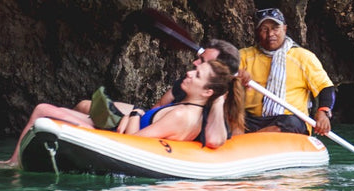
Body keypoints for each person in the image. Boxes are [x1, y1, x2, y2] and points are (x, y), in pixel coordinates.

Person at [0, 54, 243, 167]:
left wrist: (134, 114)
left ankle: (12, 164)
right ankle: (15, 161)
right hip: (118, 129)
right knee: (69, 107)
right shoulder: (189, 110)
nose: (189, 72)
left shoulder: (182, 115)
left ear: (208, 92)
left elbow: (131, 143)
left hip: (114, 137)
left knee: (42, 110)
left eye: (197, 75)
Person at [77, 39, 243, 148]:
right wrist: (135, 117)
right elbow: (159, 106)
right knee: (83, 105)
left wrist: (218, 100)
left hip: (166, 129)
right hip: (153, 120)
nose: (194, 63)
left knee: (85, 113)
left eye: (203, 62)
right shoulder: (188, 82)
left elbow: (215, 139)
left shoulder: (216, 99)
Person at [240, 7, 335, 135]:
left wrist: (323, 112)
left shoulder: (303, 57)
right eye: (264, 29)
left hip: (287, 120)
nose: (270, 34)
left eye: (275, 28)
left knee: (290, 122)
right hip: (253, 119)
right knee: (232, 118)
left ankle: (249, 140)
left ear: (284, 28)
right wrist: (236, 75)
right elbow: (222, 74)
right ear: (257, 32)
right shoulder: (245, 56)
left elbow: (326, 88)